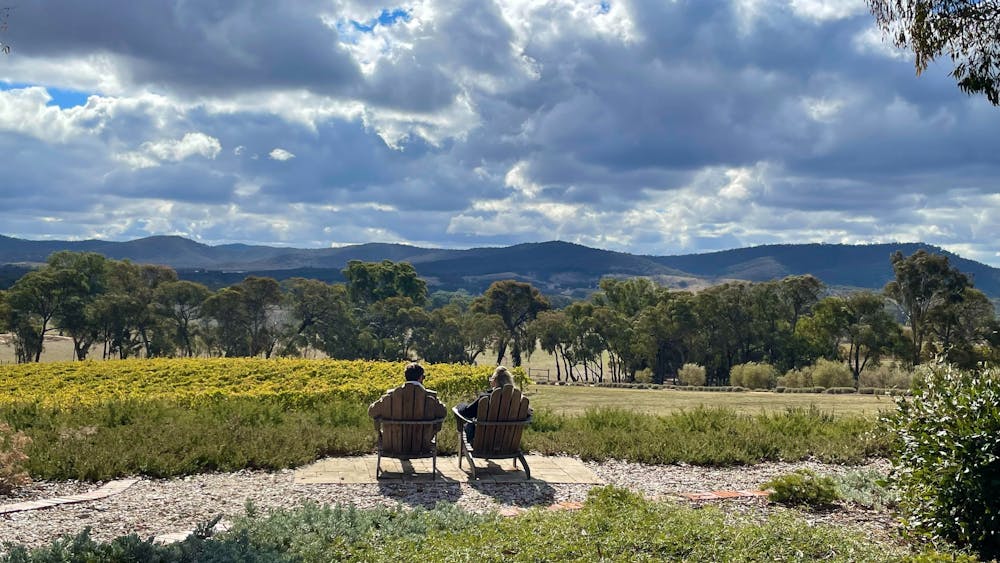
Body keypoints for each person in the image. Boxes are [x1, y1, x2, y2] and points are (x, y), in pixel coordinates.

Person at [456, 366, 515, 442]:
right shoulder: (516, 399)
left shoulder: (485, 398)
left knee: (469, 424)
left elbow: (467, 412)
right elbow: (528, 414)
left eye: (491, 379)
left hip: (483, 442)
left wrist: (460, 405)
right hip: (508, 443)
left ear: (495, 381)